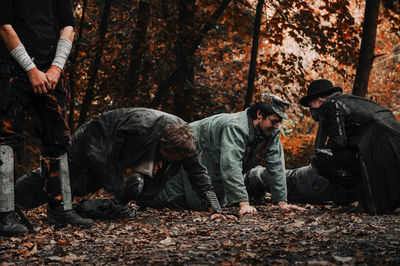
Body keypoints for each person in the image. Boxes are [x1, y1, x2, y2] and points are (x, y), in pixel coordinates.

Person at [14, 108, 234, 221]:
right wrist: (116, 188)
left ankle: (80, 206)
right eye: (166, 158)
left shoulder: (188, 142)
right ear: (162, 147)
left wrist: (216, 207)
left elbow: (198, 173)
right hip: (97, 138)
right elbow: (115, 158)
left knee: (95, 184)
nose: (166, 163)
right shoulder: (141, 129)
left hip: (124, 147)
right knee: (70, 177)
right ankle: (13, 201)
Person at [0, 0, 93, 236]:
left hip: (52, 71)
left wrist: (56, 68)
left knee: (59, 138)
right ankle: (4, 215)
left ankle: (61, 208)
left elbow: (68, 27)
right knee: (6, 139)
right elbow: (4, 27)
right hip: (13, 70)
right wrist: (30, 69)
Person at [139, 94, 305, 215]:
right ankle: (138, 194)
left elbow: (276, 164)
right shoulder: (237, 126)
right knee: (174, 198)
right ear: (260, 114)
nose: (277, 127)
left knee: (210, 202)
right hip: (189, 146)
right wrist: (244, 203)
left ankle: (142, 192)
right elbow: (231, 163)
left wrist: (282, 201)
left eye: (279, 123)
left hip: (211, 159)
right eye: (274, 121)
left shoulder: (270, 132)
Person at [300, 79, 400, 214]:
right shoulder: (350, 101)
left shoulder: (330, 105)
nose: (310, 107)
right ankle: (365, 200)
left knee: (321, 159)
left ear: (320, 99)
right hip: (392, 140)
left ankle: (361, 200)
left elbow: (338, 141)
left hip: (377, 142)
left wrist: (324, 149)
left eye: (311, 102)